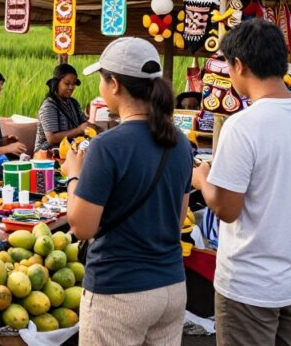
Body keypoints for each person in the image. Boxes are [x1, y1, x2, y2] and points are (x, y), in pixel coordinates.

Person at [191, 20, 291, 346]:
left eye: (228, 64)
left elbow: (227, 210)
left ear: (239, 64)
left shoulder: (242, 125)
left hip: (249, 283)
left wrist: (202, 179)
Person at [61, 38, 193, 346]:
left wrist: (73, 177)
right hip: (171, 288)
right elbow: (178, 221)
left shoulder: (106, 146)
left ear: (115, 84)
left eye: (102, 79)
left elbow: (82, 226)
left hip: (118, 292)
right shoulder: (181, 142)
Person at [34, 63, 94, 152]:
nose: (71, 87)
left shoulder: (73, 103)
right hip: (48, 154)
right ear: (56, 83)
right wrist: (79, 130)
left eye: (73, 84)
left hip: (70, 151)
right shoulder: (49, 106)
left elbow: (84, 124)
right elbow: (51, 138)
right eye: (67, 83)